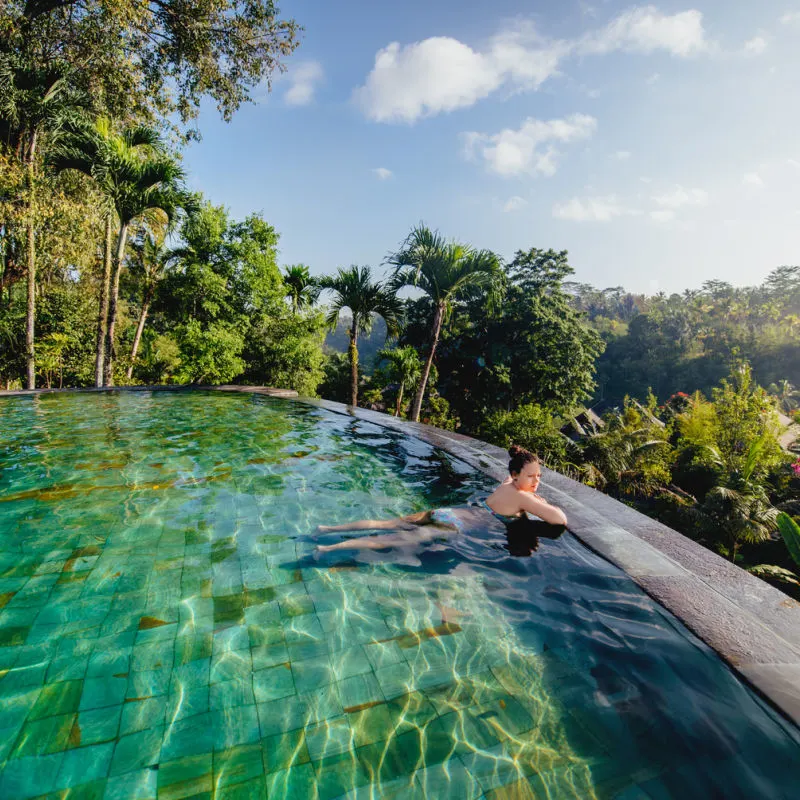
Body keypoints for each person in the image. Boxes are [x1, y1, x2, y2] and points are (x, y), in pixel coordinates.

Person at [314, 445, 567, 553]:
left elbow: (511, 487)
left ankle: (327, 529)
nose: (536, 482)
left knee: (387, 523)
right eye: (532, 476)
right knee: (390, 540)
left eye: (539, 476)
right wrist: (540, 503)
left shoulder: (507, 485)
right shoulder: (524, 498)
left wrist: (529, 490)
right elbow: (559, 520)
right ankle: (328, 548)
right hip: (453, 525)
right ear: (515, 474)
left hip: (447, 512)